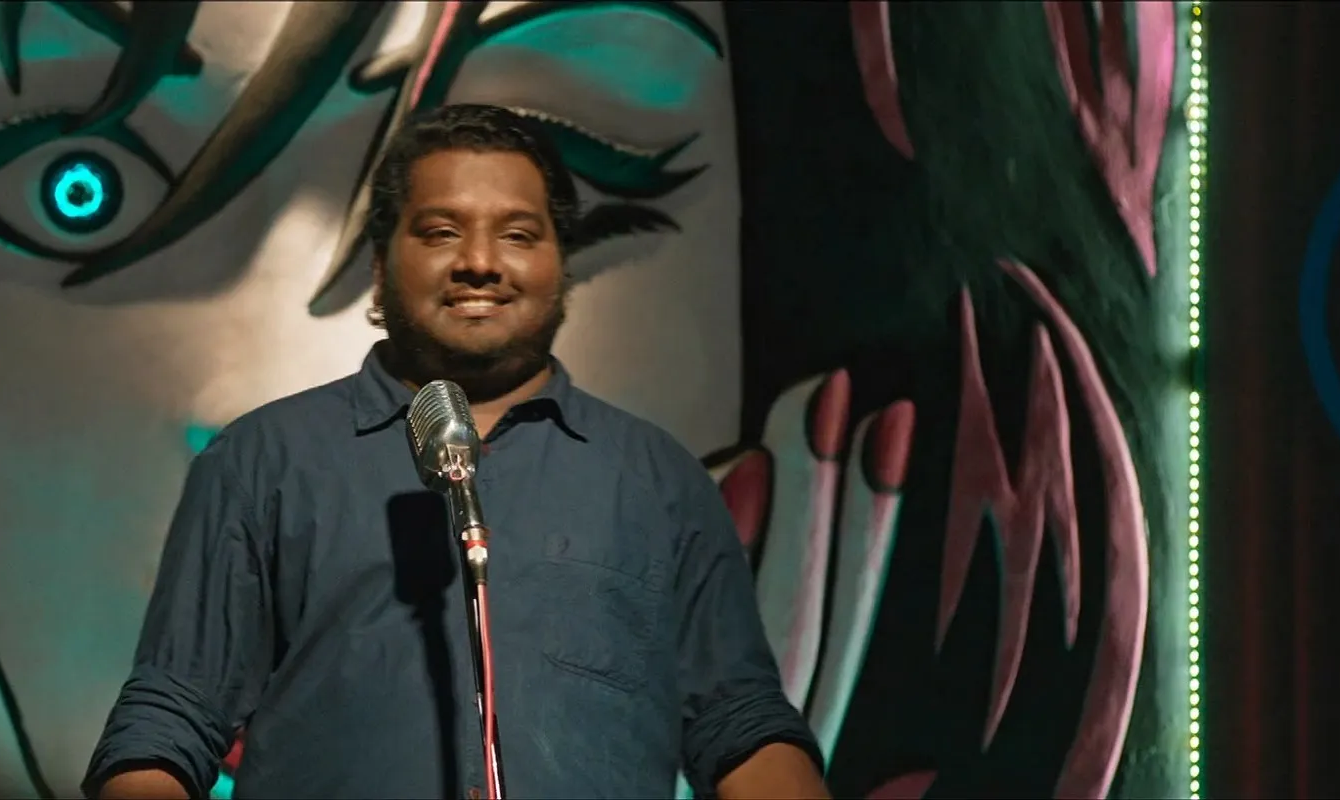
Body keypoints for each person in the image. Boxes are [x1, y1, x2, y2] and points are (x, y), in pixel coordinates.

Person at [84, 104, 829, 799]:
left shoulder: (657, 478)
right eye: (441, 232)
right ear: (381, 267)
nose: (480, 261)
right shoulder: (262, 460)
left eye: (518, 235)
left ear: (561, 265)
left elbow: (737, 721)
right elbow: (172, 714)